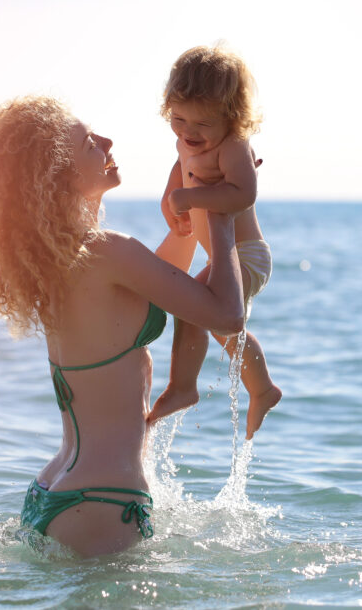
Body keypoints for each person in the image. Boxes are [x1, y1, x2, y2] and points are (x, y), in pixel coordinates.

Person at [0, 96, 245, 557]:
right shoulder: (106, 252)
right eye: (88, 143)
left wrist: (191, 202)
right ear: (59, 176)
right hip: (103, 502)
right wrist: (222, 216)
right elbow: (228, 315)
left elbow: (160, 281)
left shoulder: (63, 261)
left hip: (54, 491)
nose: (107, 142)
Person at [145, 45, 282, 440]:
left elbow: (242, 195)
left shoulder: (234, 146)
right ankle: (263, 389)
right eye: (177, 118)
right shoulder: (191, 141)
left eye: (202, 124)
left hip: (247, 257)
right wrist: (171, 195)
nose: (188, 132)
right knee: (221, 329)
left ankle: (183, 387)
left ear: (232, 117)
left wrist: (191, 198)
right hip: (224, 257)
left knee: (193, 307)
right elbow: (181, 165)